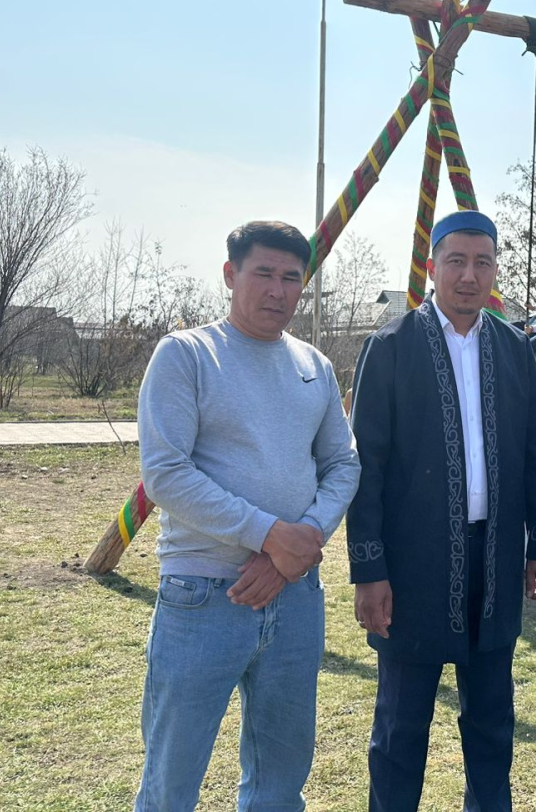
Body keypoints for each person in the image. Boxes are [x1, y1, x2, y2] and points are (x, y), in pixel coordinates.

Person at [133, 221, 361, 812]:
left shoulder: (315, 365)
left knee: (280, 781)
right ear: (231, 274)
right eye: (263, 273)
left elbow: (343, 463)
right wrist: (269, 535)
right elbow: (166, 473)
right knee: (171, 779)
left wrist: (300, 544)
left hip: (296, 597)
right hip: (204, 595)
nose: (278, 290)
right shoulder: (187, 354)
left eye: (292, 278)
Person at [347, 210, 536, 812]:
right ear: (432, 266)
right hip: (412, 564)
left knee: (492, 723)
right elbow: (366, 466)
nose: (470, 275)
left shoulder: (514, 348)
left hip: (495, 559)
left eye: (483, 262)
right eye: (457, 261)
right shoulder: (390, 347)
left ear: (495, 270)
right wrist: (369, 569)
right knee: (400, 728)